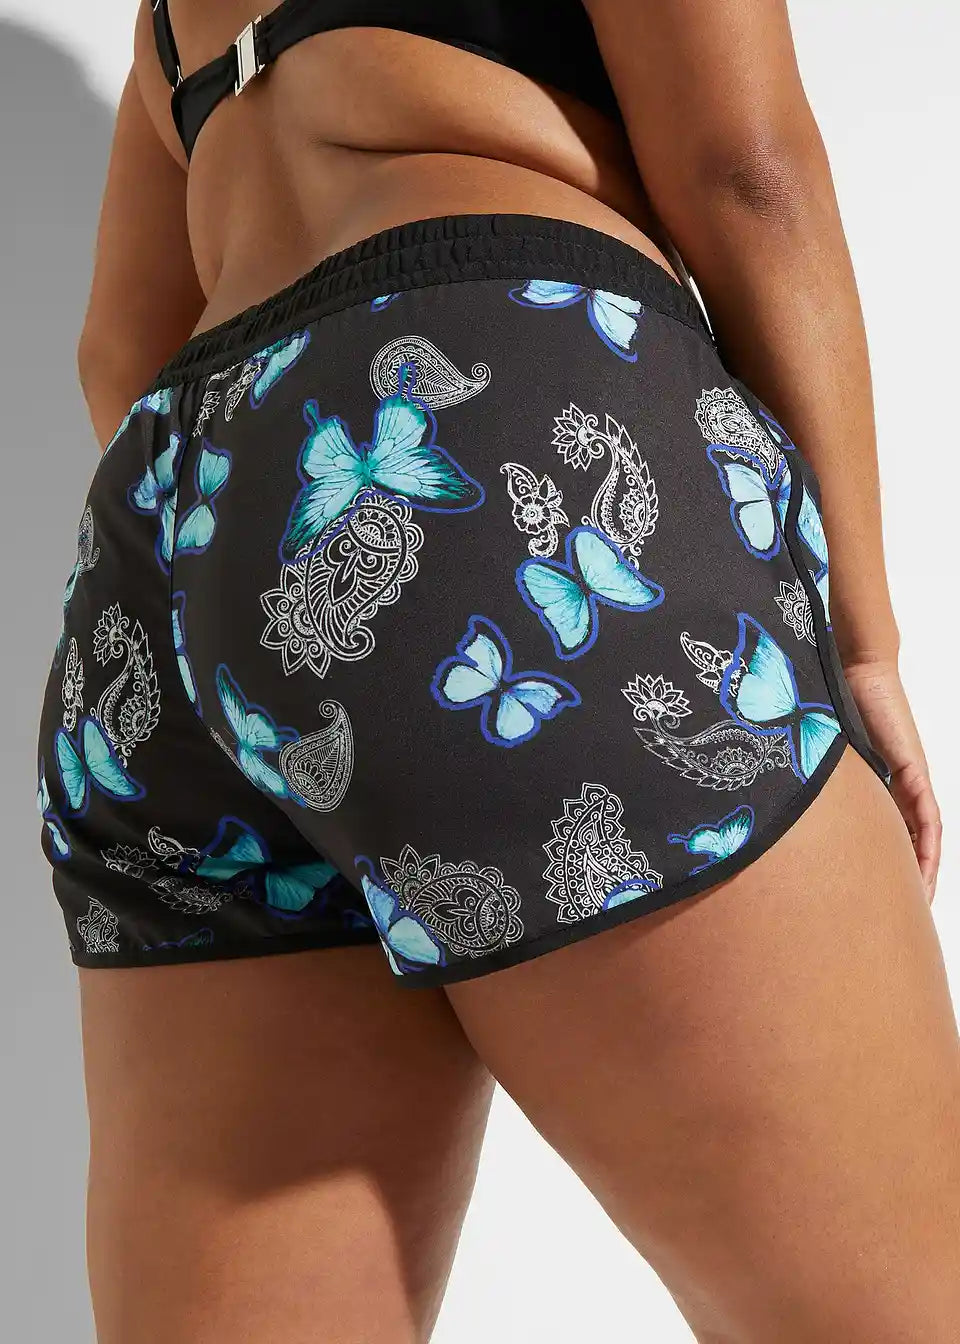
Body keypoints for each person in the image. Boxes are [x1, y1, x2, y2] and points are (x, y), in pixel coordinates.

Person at [36, 2, 959, 1340]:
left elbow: (117, 351)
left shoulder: (167, 21)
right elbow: (747, 170)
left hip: (172, 556)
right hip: (492, 436)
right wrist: (863, 640)